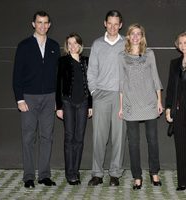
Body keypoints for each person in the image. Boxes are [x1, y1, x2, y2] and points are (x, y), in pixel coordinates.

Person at [12, 11, 60, 188]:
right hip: (29, 98)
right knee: (28, 138)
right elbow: (17, 75)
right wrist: (19, 99)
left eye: (46, 23)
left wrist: (57, 99)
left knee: (47, 137)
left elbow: (57, 75)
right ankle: (29, 177)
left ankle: (44, 175)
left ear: (49, 25)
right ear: (33, 24)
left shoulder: (54, 46)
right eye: (39, 22)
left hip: (49, 97)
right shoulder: (24, 46)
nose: (42, 25)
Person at [118, 23, 163, 190]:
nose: (135, 36)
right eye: (132, 34)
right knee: (133, 143)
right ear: (128, 36)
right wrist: (121, 107)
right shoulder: (121, 56)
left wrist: (159, 101)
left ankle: (154, 173)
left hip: (150, 103)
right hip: (130, 105)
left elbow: (156, 79)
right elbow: (121, 83)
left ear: (142, 36)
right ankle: (137, 177)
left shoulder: (149, 54)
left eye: (138, 33)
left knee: (152, 141)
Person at [87, 10, 125, 186]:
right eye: (110, 23)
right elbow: (92, 71)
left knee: (119, 136)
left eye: (116, 24)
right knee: (99, 137)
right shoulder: (97, 44)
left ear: (121, 25)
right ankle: (97, 173)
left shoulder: (127, 43)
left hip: (120, 96)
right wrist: (94, 92)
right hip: (101, 95)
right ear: (105, 23)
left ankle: (115, 174)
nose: (112, 27)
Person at [56, 33, 92, 185]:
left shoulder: (86, 61)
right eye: (69, 43)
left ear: (80, 45)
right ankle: (69, 173)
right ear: (67, 46)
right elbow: (57, 84)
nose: (72, 46)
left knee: (79, 138)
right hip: (68, 103)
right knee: (69, 138)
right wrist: (59, 106)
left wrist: (90, 105)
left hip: (83, 103)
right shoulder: (62, 61)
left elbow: (91, 85)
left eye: (75, 43)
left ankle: (75, 170)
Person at [165, 31, 186, 191]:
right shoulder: (174, 63)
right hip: (179, 110)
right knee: (180, 146)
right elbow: (171, 88)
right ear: (177, 45)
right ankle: (182, 182)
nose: (184, 46)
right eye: (181, 43)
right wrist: (168, 108)